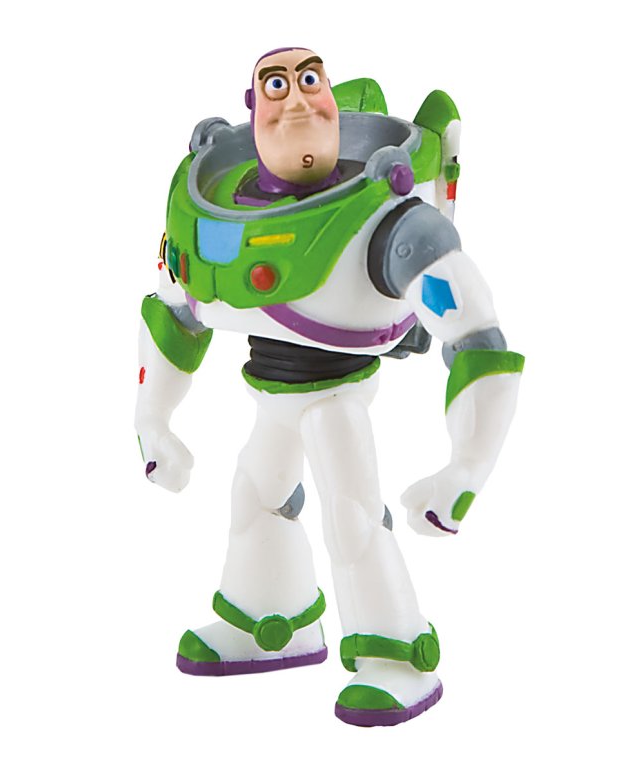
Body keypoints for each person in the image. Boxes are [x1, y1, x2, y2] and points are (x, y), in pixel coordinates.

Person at [134, 47, 524, 727]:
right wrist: (153, 418)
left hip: (337, 399)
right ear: (251, 110)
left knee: (351, 516)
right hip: (273, 392)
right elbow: (174, 311)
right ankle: (271, 620)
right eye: (276, 85)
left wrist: (466, 466)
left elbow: (476, 336)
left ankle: (398, 657)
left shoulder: (388, 217)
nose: (296, 99)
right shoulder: (212, 206)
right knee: (255, 498)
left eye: (310, 80)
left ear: (334, 100)